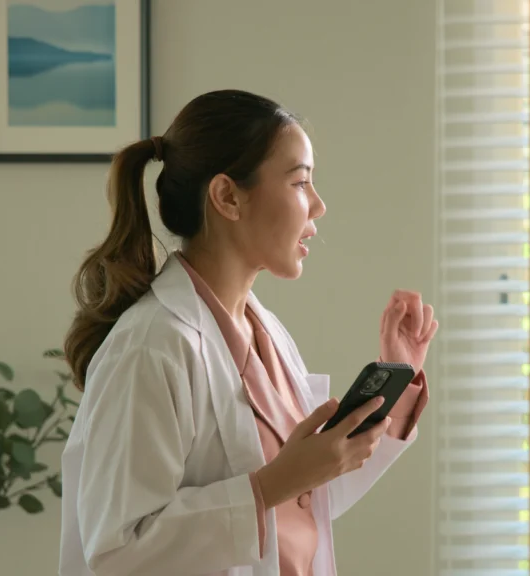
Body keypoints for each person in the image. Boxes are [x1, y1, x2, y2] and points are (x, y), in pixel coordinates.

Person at [57, 89, 438, 576]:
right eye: (301, 183)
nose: (318, 206)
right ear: (227, 197)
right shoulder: (152, 347)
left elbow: (308, 501)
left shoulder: (266, 332)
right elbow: (119, 553)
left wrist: (396, 383)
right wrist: (268, 487)